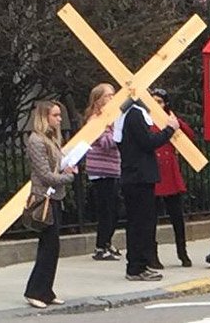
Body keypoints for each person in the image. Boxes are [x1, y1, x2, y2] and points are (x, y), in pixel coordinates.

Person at [114, 98, 179, 281]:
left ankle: (140, 264)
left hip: (138, 177)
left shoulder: (131, 115)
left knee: (143, 224)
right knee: (140, 224)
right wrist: (170, 129)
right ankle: (135, 267)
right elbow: (147, 142)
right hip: (138, 177)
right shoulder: (134, 115)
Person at [24, 100, 77, 309]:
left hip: (55, 196)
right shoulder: (36, 141)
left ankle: (46, 290)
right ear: (44, 117)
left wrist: (66, 167)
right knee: (47, 246)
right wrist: (68, 177)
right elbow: (45, 174)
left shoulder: (52, 138)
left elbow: (55, 167)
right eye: (55, 115)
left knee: (53, 247)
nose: (59, 119)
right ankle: (34, 290)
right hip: (43, 197)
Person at [149, 88, 194, 269]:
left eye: (160, 101)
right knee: (152, 219)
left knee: (177, 217)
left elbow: (189, 135)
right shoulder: (147, 119)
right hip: (154, 172)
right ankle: (153, 255)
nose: (157, 105)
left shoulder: (171, 119)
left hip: (170, 173)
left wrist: (176, 122)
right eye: (154, 101)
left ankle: (182, 252)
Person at [83, 83, 122, 261]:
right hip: (100, 170)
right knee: (106, 210)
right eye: (108, 96)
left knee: (114, 209)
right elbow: (106, 143)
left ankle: (107, 241)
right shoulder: (96, 120)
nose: (112, 99)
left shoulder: (111, 118)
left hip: (112, 169)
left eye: (113, 95)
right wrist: (116, 129)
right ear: (98, 100)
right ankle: (100, 246)